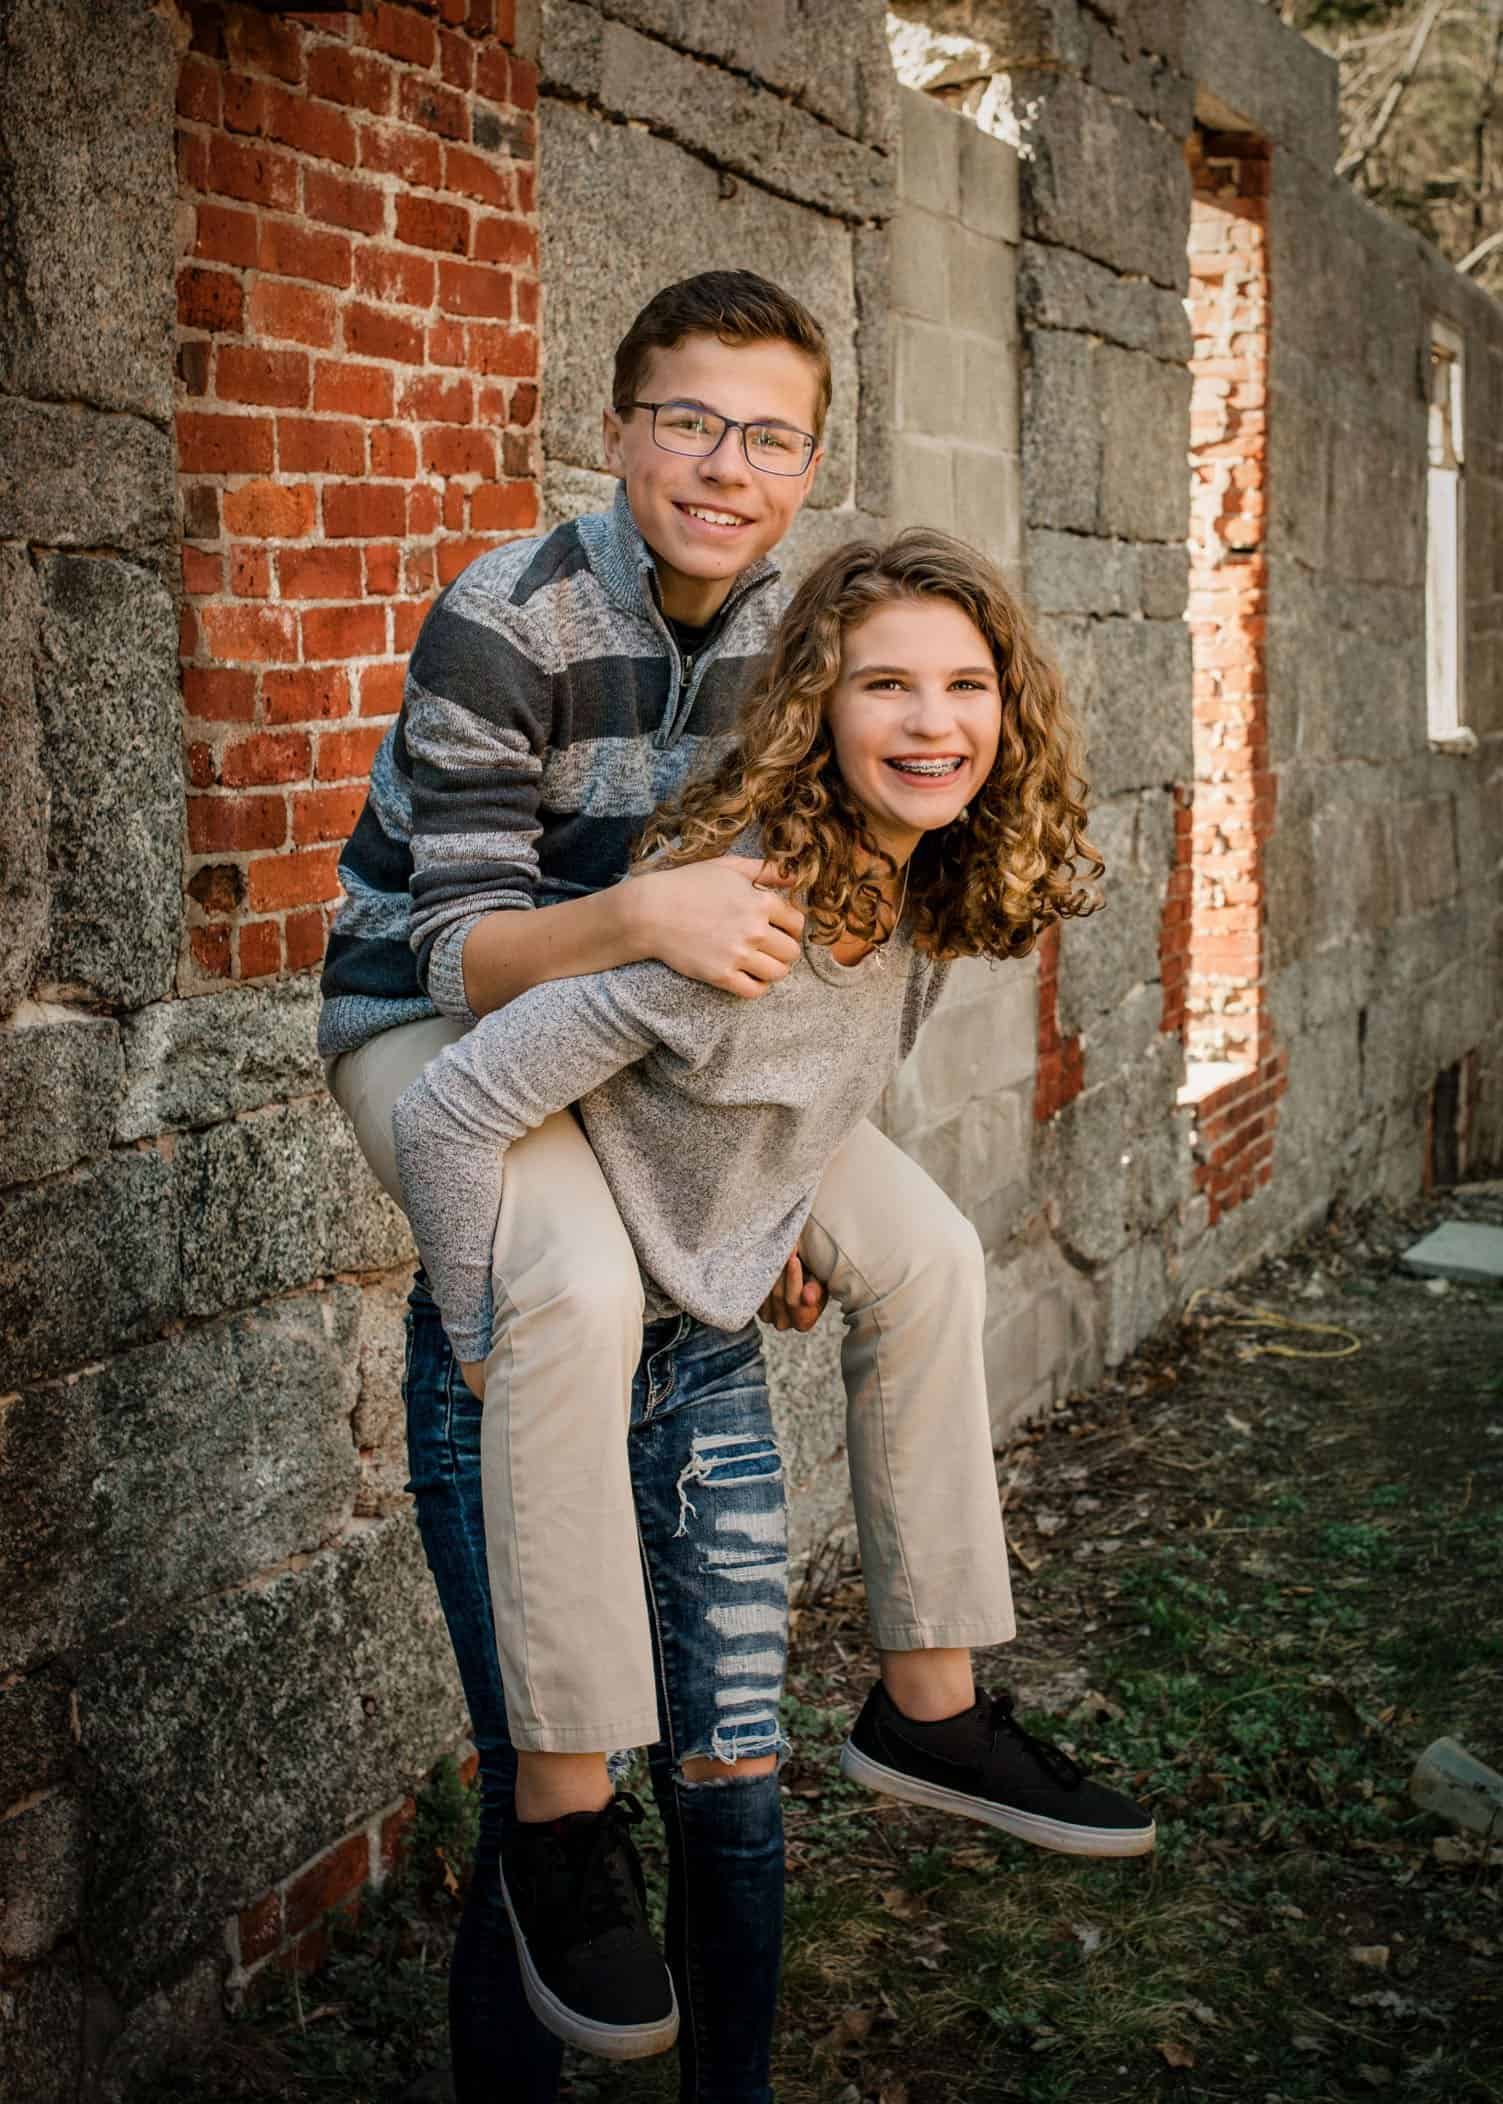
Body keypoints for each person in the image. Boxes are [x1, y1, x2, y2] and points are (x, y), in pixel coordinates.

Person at [393, 530, 1156, 2069]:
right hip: (568, 1275)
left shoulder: (927, 883)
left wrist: (793, 1202)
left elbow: (822, 1086)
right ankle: (564, 1824)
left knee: (934, 1253)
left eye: (966, 683)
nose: (934, 718)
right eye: (886, 685)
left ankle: (930, 1703)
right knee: (582, 1325)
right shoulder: (728, 922)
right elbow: (451, 1110)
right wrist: (480, 1326)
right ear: (814, 707)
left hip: (710, 1290)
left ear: (1013, 711)